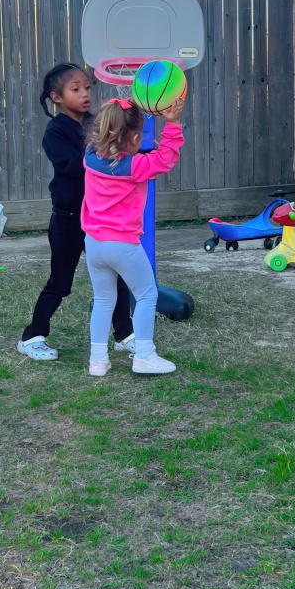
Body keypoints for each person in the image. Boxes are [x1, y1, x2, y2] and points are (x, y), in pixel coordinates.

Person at [18, 64, 134, 361]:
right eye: (76, 89)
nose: (85, 94)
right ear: (56, 97)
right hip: (69, 221)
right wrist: (102, 150)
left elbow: (121, 153)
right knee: (61, 281)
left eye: (88, 87)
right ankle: (33, 336)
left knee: (116, 277)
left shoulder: (97, 122)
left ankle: (124, 335)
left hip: (99, 220)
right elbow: (72, 166)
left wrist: (142, 152)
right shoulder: (55, 131)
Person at [83, 95, 184, 377]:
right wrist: (172, 123)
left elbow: (108, 135)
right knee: (147, 294)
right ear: (136, 136)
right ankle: (144, 355)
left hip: (94, 244)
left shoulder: (89, 157)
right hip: (123, 245)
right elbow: (165, 159)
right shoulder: (136, 167)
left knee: (104, 300)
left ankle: (98, 360)